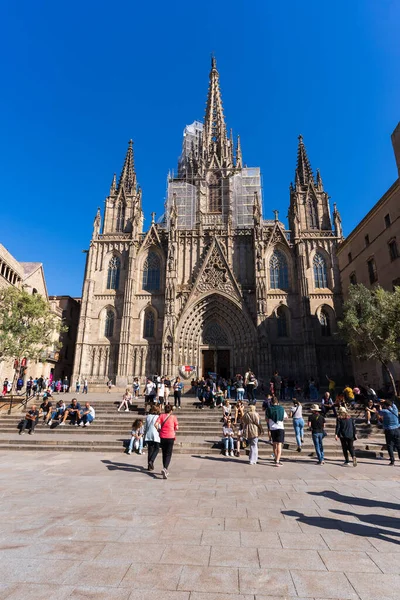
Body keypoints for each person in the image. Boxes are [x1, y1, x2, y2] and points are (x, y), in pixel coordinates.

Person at [158, 405, 179, 479]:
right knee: (169, 453)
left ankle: (165, 467)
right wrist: (173, 429)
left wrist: (159, 430)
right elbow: (176, 427)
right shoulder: (173, 417)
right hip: (170, 437)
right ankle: (165, 468)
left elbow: (156, 424)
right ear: (171, 411)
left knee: (164, 452)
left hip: (162, 436)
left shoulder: (161, 416)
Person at [266, 397, 288, 466]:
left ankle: (276, 458)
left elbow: (266, 419)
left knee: (274, 444)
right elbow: (286, 417)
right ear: (277, 402)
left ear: (271, 402)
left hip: (272, 428)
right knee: (279, 444)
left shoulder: (268, 409)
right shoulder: (281, 408)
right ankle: (277, 461)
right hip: (280, 427)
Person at [378, 400, 400, 466]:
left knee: (390, 445)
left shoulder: (385, 412)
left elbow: (379, 412)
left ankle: (392, 460)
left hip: (389, 430)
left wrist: (380, 406)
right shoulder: (395, 409)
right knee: (398, 445)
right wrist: (386, 401)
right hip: (397, 429)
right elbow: (393, 403)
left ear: (385, 406)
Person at [143, 405, 161, 471]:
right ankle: (151, 461)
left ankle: (149, 466)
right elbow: (159, 426)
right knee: (156, 448)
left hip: (149, 434)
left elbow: (145, 426)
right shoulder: (158, 417)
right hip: (156, 434)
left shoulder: (148, 416)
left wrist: (144, 434)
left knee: (150, 450)